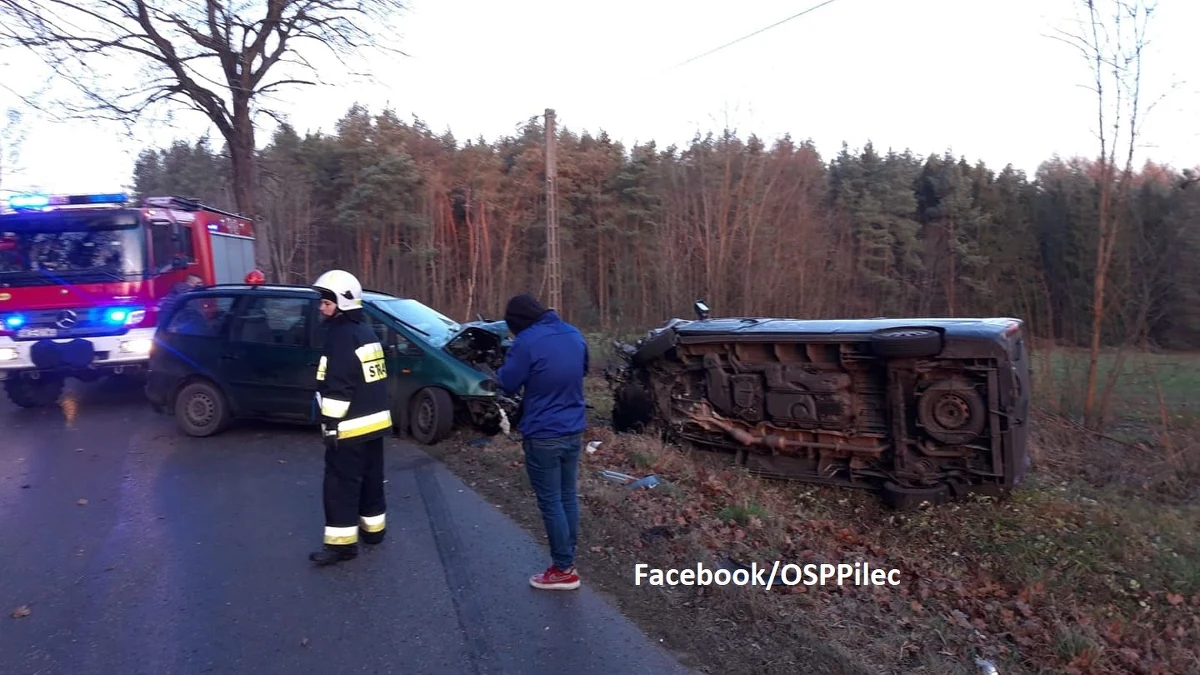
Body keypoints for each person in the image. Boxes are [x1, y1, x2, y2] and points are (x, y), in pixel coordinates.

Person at [496, 293, 589, 590]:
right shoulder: (573, 333)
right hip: (574, 429)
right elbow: (582, 370)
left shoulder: (526, 342)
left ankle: (563, 569)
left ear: (518, 323)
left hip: (543, 433)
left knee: (551, 501)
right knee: (567, 495)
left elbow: (507, 383)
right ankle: (567, 557)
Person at [309, 269, 393, 566]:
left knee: (340, 485)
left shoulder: (341, 337)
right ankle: (374, 532)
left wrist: (330, 426)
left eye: (326, 302)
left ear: (342, 302)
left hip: (349, 427)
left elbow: (339, 387)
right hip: (374, 425)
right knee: (371, 479)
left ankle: (342, 546)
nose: (322, 307)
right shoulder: (366, 332)